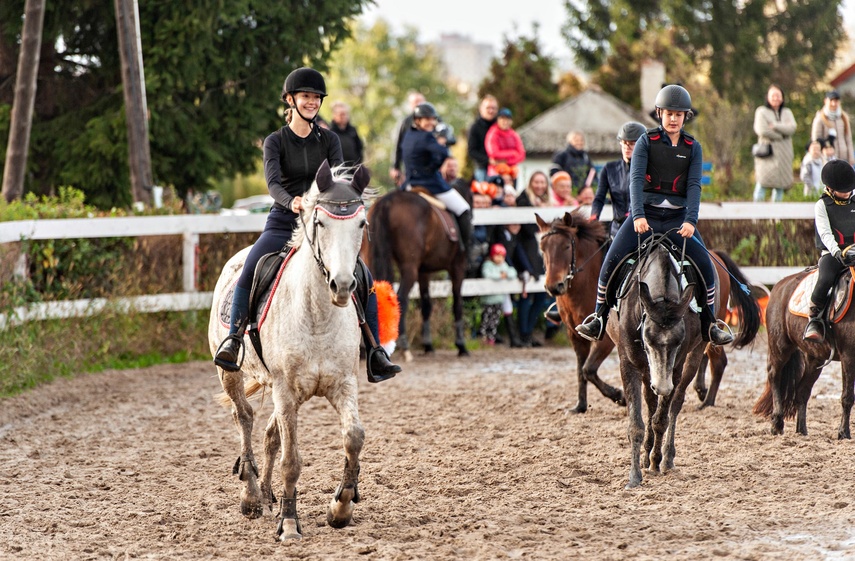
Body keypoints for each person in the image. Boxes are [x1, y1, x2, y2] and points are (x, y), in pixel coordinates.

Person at [214, 67, 400, 383]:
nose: (312, 102)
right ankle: (233, 339)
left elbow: (338, 180)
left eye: (316, 97)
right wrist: (293, 202)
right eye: (306, 96)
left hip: (323, 224)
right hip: (284, 221)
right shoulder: (275, 141)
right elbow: (273, 184)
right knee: (251, 266)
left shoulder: (329, 139)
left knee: (362, 274)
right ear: (291, 100)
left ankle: (375, 349)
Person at [575, 84, 733, 346]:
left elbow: (694, 185)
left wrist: (690, 220)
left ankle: (709, 324)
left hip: (676, 220)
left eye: (678, 114)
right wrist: (637, 216)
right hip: (645, 218)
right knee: (611, 261)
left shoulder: (693, 146)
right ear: (660, 114)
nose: (673, 119)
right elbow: (635, 181)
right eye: (669, 113)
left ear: (685, 117)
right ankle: (599, 317)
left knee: (706, 265)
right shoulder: (646, 141)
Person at [401, 102, 474, 258]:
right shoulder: (427, 136)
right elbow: (443, 152)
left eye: (433, 119)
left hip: (409, 184)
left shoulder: (408, 135)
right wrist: (433, 166)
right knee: (463, 209)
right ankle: (465, 252)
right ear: (417, 121)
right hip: (431, 184)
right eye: (426, 119)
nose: (431, 122)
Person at [804, 160, 855, 342]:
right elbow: (825, 233)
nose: (848, 192)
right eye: (843, 189)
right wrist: (838, 252)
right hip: (834, 254)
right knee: (825, 278)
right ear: (830, 188)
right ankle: (814, 318)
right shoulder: (822, 205)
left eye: (850, 188)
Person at [592, 121, 646, 237]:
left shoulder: (650, 169)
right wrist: (594, 216)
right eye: (624, 143)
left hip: (642, 228)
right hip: (618, 229)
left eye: (632, 143)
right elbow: (599, 198)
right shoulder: (609, 169)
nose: (627, 147)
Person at [753, 84, 797, 202]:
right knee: (761, 183)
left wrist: (776, 126)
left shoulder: (787, 112)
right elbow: (762, 130)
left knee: (780, 187)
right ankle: (756, 217)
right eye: (773, 95)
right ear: (767, 97)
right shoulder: (761, 111)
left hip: (784, 155)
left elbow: (792, 128)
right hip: (767, 154)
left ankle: (775, 218)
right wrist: (782, 134)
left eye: (778, 95)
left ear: (782, 97)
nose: (776, 98)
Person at [478, 244, 517, 345]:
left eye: (502, 256)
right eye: (497, 255)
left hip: (499, 299)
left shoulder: (504, 265)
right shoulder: (488, 265)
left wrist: (506, 274)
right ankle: (482, 337)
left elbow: (513, 272)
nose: (499, 259)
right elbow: (487, 275)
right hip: (489, 299)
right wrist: (500, 276)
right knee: (486, 318)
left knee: (495, 320)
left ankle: (491, 338)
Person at [390, 91, 425, 186]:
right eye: (416, 102)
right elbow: (398, 145)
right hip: (411, 170)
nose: (419, 104)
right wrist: (395, 167)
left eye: (421, 101)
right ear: (411, 105)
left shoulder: (434, 120)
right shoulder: (406, 123)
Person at [811, 90, 854, 166]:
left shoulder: (843, 118)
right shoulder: (820, 118)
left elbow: (848, 139)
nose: (834, 104)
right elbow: (816, 140)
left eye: (836, 101)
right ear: (826, 101)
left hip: (844, 158)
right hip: (829, 159)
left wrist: (851, 156)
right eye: (831, 100)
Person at [485, 108, 526, 187]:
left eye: (507, 119)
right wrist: (513, 153)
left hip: (512, 173)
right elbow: (494, 153)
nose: (505, 122)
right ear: (498, 120)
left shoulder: (514, 135)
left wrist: (505, 161)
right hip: (496, 173)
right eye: (502, 119)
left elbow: (522, 154)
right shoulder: (493, 133)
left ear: (511, 121)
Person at [468, 95, 499, 181]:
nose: (491, 111)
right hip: (482, 169)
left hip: (500, 168)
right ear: (481, 109)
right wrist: (488, 160)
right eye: (488, 108)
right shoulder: (475, 127)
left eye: (493, 108)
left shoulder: (500, 127)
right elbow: (472, 151)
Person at [329, 101, 364, 166]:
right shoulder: (329, 132)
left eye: (345, 114)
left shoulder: (353, 131)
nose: (344, 116)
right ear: (334, 115)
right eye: (341, 114)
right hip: (337, 170)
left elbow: (359, 148)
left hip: (353, 169)